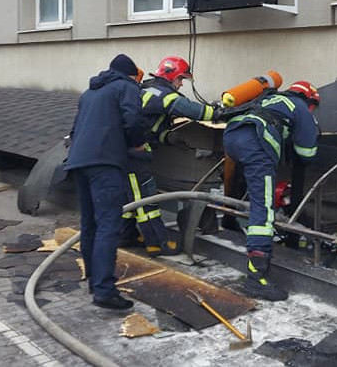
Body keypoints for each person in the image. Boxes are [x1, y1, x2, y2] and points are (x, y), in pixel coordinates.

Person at [222, 80, 320, 301]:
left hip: (233, 136)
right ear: (309, 99)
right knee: (263, 206)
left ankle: (230, 223)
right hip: (257, 141)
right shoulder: (300, 107)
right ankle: (257, 277)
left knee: (249, 189)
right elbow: (306, 152)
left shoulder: (268, 98)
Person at [64, 54, 145, 310]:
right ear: (132, 75)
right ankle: (105, 290)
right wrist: (137, 144)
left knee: (90, 224)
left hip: (79, 161)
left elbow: (75, 130)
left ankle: (94, 280)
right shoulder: (127, 87)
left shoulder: (89, 93)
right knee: (109, 226)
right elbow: (132, 120)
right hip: (105, 164)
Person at [122, 56, 216, 257]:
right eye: (180, 79)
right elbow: (198, 112)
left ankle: (124, 235)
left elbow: (148, 127)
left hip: (123, 153)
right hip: (133, 155)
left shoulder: (146, 89)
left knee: (129, 197)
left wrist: (168, 137)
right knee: (145, 200)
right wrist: (222, 111)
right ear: (171, 75)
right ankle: (157, 244)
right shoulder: (164, 95)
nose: (181, 84)